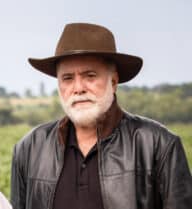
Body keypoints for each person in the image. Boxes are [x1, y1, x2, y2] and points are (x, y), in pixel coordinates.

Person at [10, 23, 192, 209]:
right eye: (68, 78)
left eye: (90, 76)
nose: (78, 88)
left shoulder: (158, 145)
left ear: (113, 82)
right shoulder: (30, 148)